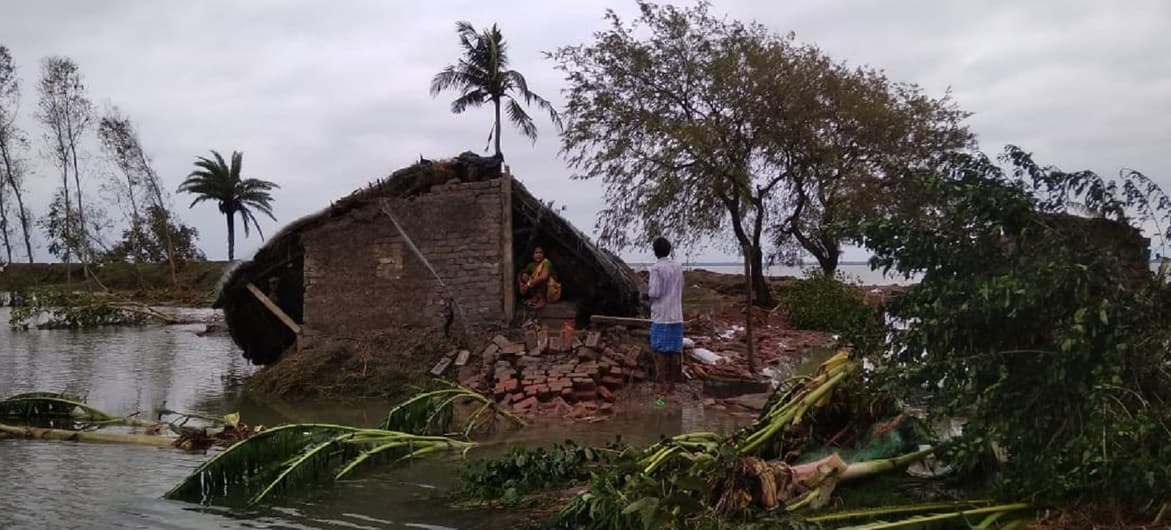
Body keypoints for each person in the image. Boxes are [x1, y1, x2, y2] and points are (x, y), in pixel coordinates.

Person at [644, 237, 684, 393]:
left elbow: (655, 292)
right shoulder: (678, 267)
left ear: (655, 251)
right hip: (676, 314)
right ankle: (673, 384)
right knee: (675, 350)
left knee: (661, 350)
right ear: (669, 250)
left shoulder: (656, 269)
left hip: (661, 315)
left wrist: (645, 296)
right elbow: (681, 286)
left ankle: (663, 386)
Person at [518, 246, 561, 310]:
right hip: (538, 289)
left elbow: (544, 277)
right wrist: (521, 284)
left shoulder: (546, 262)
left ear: (543, 255)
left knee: (540, 277)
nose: (538, 255)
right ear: (532, 255)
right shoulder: (531, 265)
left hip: (552, 291)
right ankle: (535, 297)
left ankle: (542, 300)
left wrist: (528, 284)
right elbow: (519, 273)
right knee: (525, 275)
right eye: (536, 253)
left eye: (540, 252)